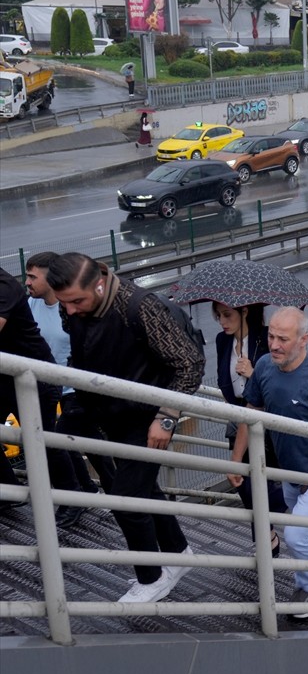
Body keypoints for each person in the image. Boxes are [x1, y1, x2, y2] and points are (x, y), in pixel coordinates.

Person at [46, 253, 203, 604]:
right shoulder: (75, 306)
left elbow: (190, 364)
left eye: (76, 301)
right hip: (107, 409)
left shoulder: (138, 306)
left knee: (127, 499)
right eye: (64, 303)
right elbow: (84, 351)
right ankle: (178, 553)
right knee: (141, 488)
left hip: (147, 417)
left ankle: (151, 577)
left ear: (99, 284)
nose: (69, 310)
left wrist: (166, 417)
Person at [233, 307, 308, 619]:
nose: (274, 344)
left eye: (283, 339)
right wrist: (236, 460)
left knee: (297, 535)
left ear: (304, 340)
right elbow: (250, 412)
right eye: (271, 336)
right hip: (289, 471)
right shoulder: (264, 367)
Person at [24, 253, 115, 523]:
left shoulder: (71, 308)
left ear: (51, 278)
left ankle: (93, 493)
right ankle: (100, 492)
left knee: (61, 437)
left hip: (76, 387)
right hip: (47, 385)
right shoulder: (30, 304)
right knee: (83, 442)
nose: (27, 282)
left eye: (32, 276)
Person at [0, 267, 81, 522]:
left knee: (43, 441)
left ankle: (73, 500)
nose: (27, 281)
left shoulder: (4, 287)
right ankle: (9, 491)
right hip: (5, 378)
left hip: (34, 379)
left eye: (33, 276)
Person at [211, 301, 286, 554]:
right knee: (242, 482)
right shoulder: (223, 341)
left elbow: (278, 384)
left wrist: (253, 373)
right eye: (218, 315)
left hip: (266, 419)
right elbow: (223, 379)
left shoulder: (266, 340)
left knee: (274, 482)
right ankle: (268, 536)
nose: (222, 321)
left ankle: (267, 538)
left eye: (227, 315)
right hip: (237, 418)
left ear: (244, 311)